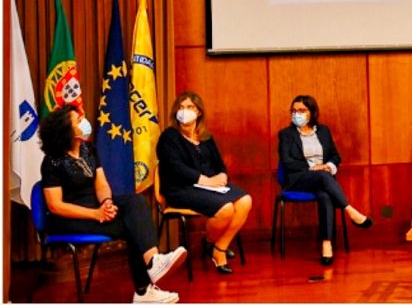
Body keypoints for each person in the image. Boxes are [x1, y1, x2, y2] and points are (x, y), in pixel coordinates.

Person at [39, 104, 186, 303]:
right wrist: (96, 214)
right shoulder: (52, 162)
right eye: (78, 120)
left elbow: (101, 183)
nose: (84, 121)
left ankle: (153, 262)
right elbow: (55, 205)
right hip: (68, 217)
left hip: (96, 206)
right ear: (66, 130)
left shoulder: (88, 149)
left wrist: (107, 203)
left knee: (136, 201)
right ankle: (144, 291)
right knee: (133, 226)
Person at [156, 91, 252, 275]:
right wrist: (206, 181)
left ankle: (218, 247)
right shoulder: (169, 136)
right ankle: (214, 247)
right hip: (180, 188)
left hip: (209, 187)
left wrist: (222, 175)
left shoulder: (206, 137)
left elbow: (219, 164)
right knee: (226, 209)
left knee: (245, 200)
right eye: (181, 107)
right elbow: (176, 168)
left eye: (189, 107)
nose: (184, 111)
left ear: (199, 112)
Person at [278, 95, 373, 266]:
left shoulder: (323, 131)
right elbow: (287, 162)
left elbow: (335, 156)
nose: (297, 114)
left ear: (312, 112)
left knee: (325, 195)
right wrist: (313, 167)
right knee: (323, 176)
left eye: (302, 110)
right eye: (294, 111)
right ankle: (351, 211)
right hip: (298, 179)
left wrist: (328, 165)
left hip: (322, 180)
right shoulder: (286, 134)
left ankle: (326, 244)